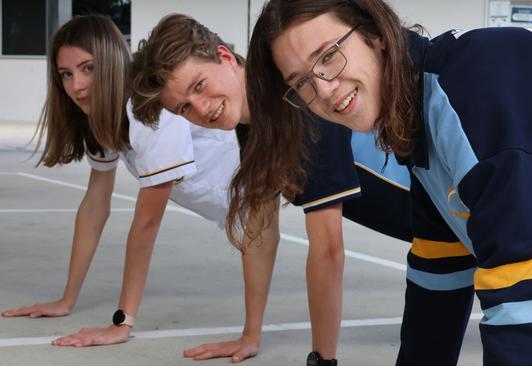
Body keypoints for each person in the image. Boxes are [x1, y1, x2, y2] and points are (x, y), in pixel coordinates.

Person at [240, 0, 532, 365]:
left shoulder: (481, 89)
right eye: (301, 84)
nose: (324, 90)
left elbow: (527, 309)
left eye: (329, 56)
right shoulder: (427, 126)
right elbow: (436, 292)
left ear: (374, 34)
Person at [128, 14, 416, 364]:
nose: (201, 109)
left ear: (225, 56)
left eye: (199, 85)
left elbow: (328, 250)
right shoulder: (253, 119)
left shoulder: (298, 101)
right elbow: (260, 229)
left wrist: (323, 361)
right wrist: (250, 335)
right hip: (437, 229)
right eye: (184, 107)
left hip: (457, 213)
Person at [0, 15, 277, 361]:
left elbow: (146, 225)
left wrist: (121, 323)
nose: (77, 86)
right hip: (250, 205)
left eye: (88, 68)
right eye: (66, 75)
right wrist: (66, 299)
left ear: (113, 62)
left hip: (270, 178)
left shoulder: (146, 112)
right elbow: (94, 205)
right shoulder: (103, 119)